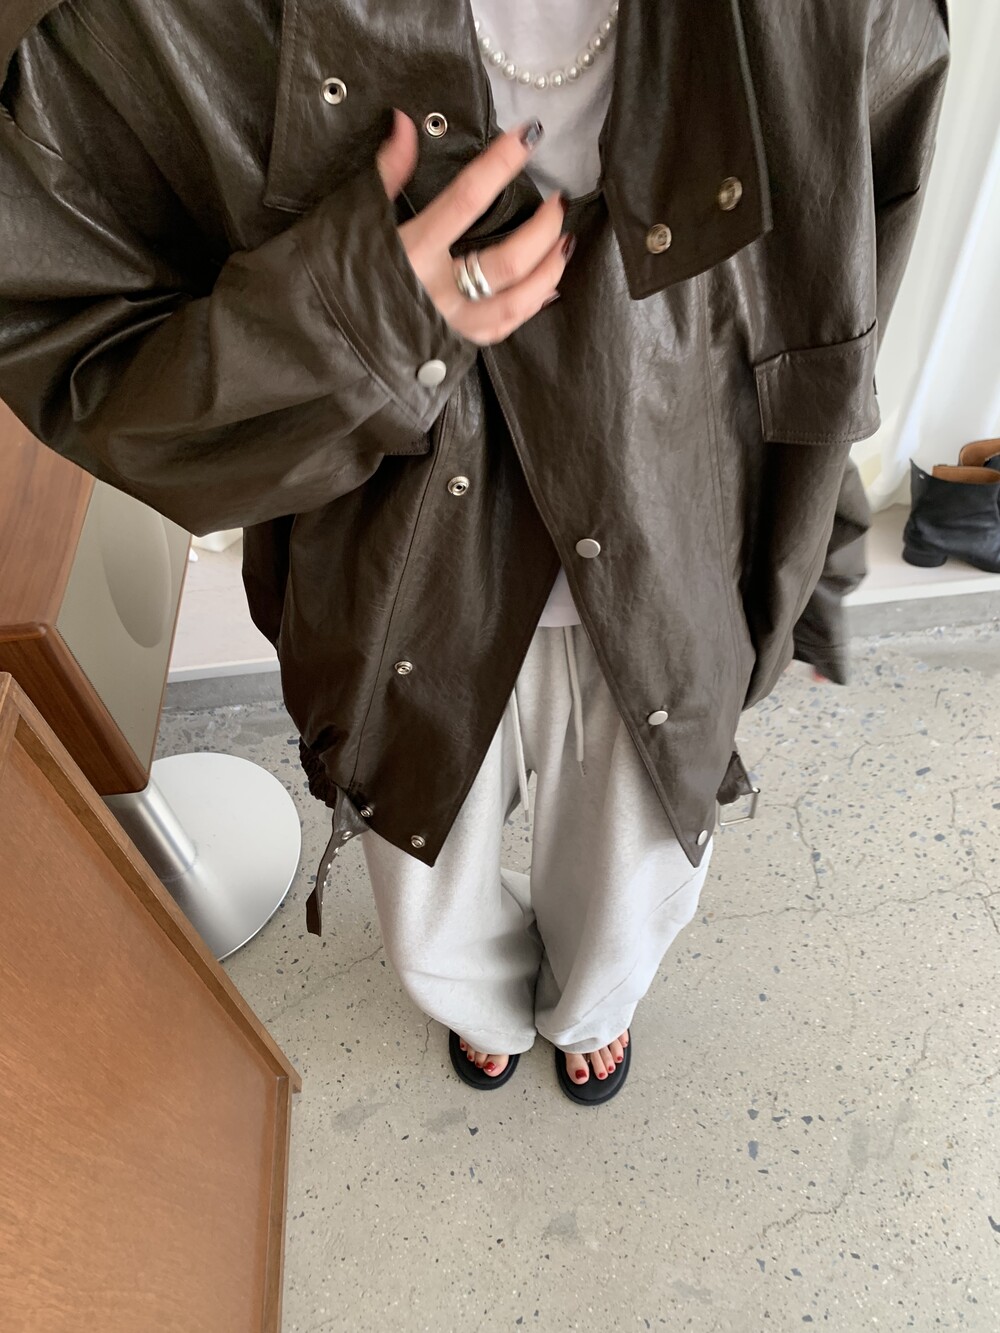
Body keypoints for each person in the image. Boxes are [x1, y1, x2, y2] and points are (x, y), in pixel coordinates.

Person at [0, 1, 950, 1105]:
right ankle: (478, 1003)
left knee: (634, 884)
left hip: (676, 546)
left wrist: (820, 542)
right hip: (397, 565)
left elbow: (840, 280)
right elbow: (62, 325)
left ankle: (590, 1009)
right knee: (427, 901)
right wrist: (356, 319)